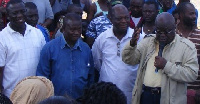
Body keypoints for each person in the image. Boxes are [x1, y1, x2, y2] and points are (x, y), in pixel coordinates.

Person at [122, 12, 199, 104]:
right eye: (159, 31)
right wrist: (132, 44)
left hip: (169, 99)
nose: (162, 35)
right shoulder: (147, 42)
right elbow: (129, 60)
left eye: (166, 32)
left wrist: (166, 66)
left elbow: (192, 74)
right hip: (146, 96)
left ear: (174, 28)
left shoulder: (186, 47)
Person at [92, 4, 144, 104]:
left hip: (130, 95)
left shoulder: (139, 38)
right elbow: (97, 63)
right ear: (110, 19)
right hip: (106, 97)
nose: (124, 21)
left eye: (126, 18)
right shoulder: (102, 38)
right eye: (119, 18)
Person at [37, 13, 94, 99]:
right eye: (72, 29)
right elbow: (42, 78)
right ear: (63, 29)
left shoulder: (86, 49)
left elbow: (91, 77)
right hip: (56, 100)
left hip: (80, 100)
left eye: (79, 29)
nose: (76, 33)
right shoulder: (49, 49)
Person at [0, 0, 46, 97]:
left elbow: (45, 63)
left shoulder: (37, 33)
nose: (20, 15)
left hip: (37, 93)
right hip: (12, 95)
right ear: (8, 16)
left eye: (22, 11)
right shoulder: (2, 38)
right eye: (15, 13)